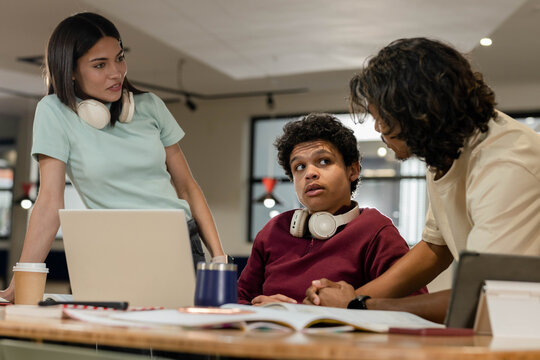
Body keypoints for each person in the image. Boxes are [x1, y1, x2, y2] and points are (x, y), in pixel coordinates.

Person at [304, 37, 540, 323]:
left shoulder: (506, 164)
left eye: (382, 117)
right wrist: (347, 304)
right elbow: (434, 248)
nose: (378, 127)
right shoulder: (444, 148)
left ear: (418, 113)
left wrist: (359, 307)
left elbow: (489, 297)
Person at [0, 12, 228, 301]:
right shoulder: (54, 112)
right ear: (70, 70)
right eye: (99, 65)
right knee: (118, 344)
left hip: (178, 242)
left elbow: (187, 187)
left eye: (119, 58)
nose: (116, 72)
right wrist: (21, 281)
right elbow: (48, 202)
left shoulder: (151, 107)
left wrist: (219, 257)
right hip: (113, 248)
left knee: (181, 344)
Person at [237, 113, 426, 305]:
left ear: (352, 170)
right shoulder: (273, 231)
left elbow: (412, 305)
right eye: (299, 166)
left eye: (324, 161)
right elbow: (238, 300)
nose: (310, 173)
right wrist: (259, 309)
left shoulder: (376, 231)